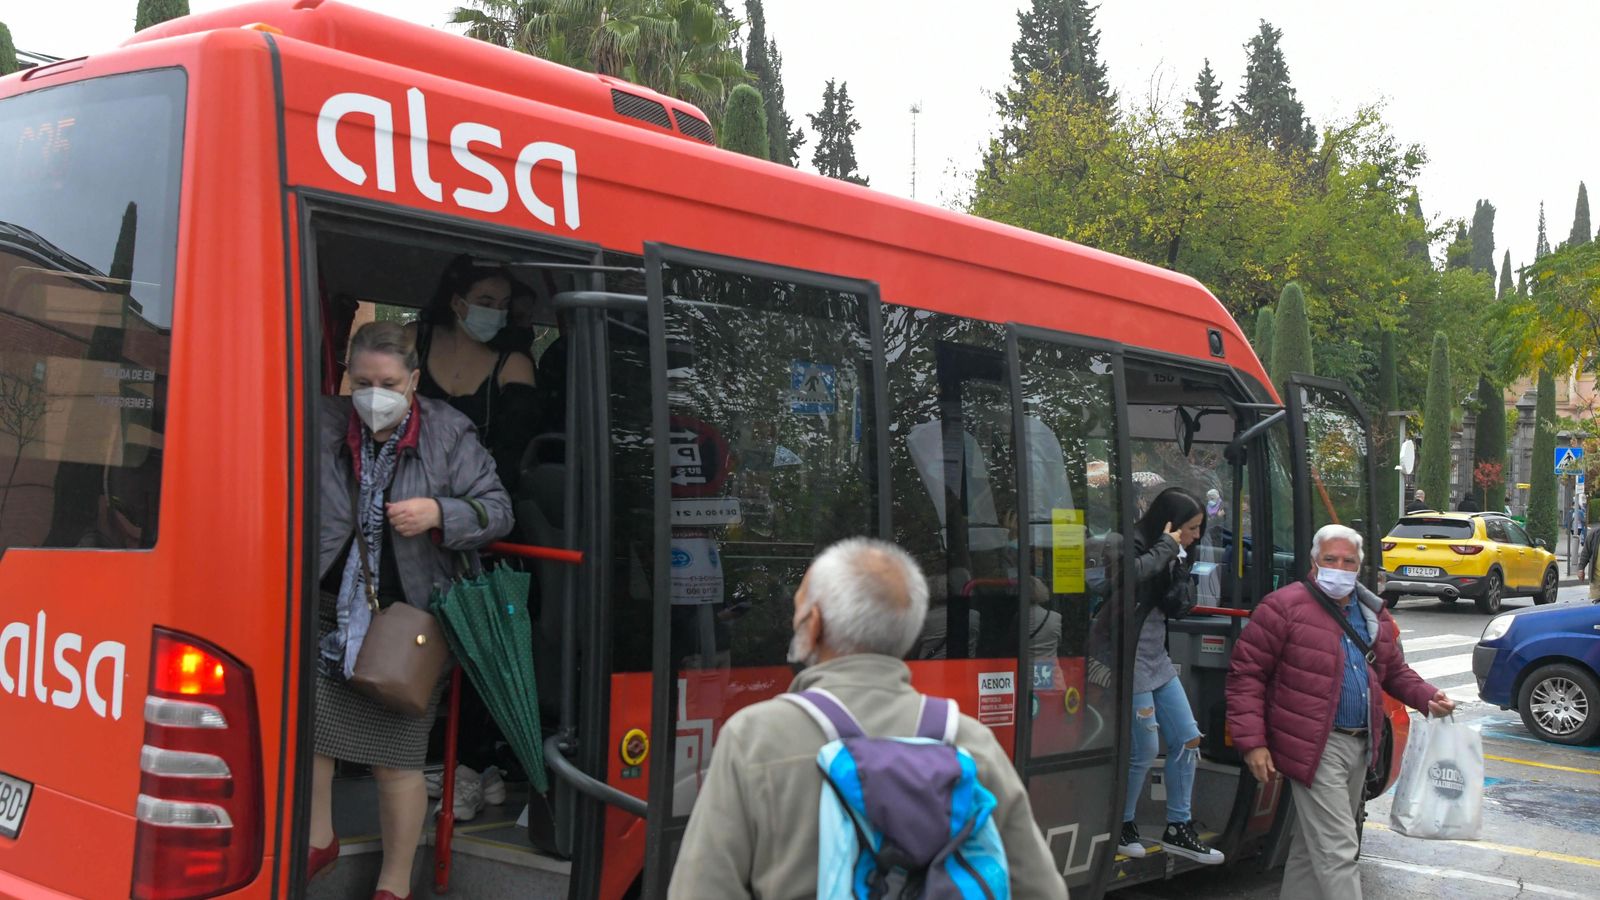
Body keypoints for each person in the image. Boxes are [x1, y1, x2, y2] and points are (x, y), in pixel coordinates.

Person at [669, 538, 1068, 900]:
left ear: (815, 626)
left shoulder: (753, 737)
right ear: (909, 633)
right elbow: (1040, 889)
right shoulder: (969, 740)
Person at [309, 322, 513, 900]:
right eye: (363, 381)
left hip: (410, 620)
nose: (375, 394)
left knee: (395, 762)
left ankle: (393, 887)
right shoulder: (322, 420)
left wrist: (441, 512)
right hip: (326, 609)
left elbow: (498, 512)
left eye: (390, 383)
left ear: (415, 380)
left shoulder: (449, 433)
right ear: (347, 377)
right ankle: (315, 840)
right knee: (312, 739)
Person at [1227, 524, 1455, 900]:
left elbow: (1393, 670)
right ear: (1314, 563)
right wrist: (1253, 743)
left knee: (1311, 846)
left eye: (1348, 561)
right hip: (1316, 745)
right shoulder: (1282, 607)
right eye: (1330, 559)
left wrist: (1427, 696)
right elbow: (1246, 676)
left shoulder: (1370, 611)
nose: (1339, 566)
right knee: (1338, 849)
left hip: (1361, 745)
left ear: (1358, 567)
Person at [1115, 487, 1224, 864]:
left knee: (1188, 737)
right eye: (1191, 528)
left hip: (1156, 659)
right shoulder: (1133, 544)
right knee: (1143, 748)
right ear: (1170, 524)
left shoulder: (1176, 553)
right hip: (1128, 661)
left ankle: (1178, 825)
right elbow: (1130, 576)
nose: (1195, 536)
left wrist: (1177, 564)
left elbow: (1180, 605)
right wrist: (1165, 549)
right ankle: (1122, 823)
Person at [406, 255, 539, 494]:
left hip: (472, 495)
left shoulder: (514, 364)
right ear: (457, 303)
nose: (496, 313)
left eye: (503, 305)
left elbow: (512, 456)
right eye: (486, 304)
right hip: (402, 481)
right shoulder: (413, 340)